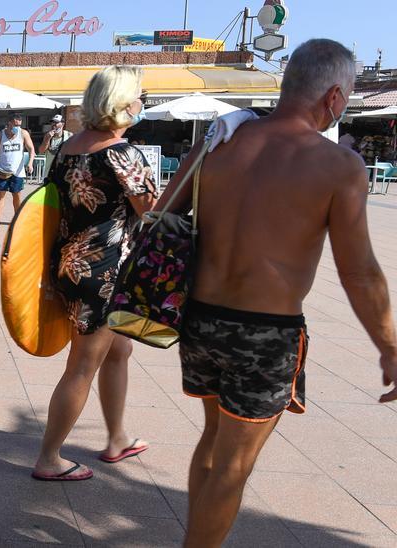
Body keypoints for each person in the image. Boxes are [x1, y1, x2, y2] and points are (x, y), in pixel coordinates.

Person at [159, 39, 397, 547]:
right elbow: (360, 274)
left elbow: (164, 212)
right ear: (334, 98)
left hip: (199, 320)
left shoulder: (218, 141)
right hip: (265, 334)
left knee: (214, 442)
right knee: (234, 464)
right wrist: (390, 347)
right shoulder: (337, 165)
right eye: (349, 98)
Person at [32, 66, 157, 482]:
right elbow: (152, 214)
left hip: (71, 264)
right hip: (105, 273)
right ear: (121, 102)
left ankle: (117, 437)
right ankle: (49, 458)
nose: (143, 102)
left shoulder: (69, 148)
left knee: (119, 351)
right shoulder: (123, 152)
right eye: (140, 95)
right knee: (82, 366)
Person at [0, 113, 36, 229]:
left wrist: (30, 163)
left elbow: (31, 149)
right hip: (2, 170)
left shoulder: (23, 133)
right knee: (0, 195)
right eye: (15, 124)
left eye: (19, 125)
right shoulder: (0, 135)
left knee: (17, 196)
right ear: (9, 123)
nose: (17, 127)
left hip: (17, 171)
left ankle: (17, 219)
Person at [40, 114, 73, 178]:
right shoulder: (48, 135)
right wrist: (47, 139)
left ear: (63, 124)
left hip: (64, 174)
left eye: (57, 122)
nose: (54, 124)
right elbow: (41, 151)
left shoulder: (69, 135)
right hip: (49, 173)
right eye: (53, 122)